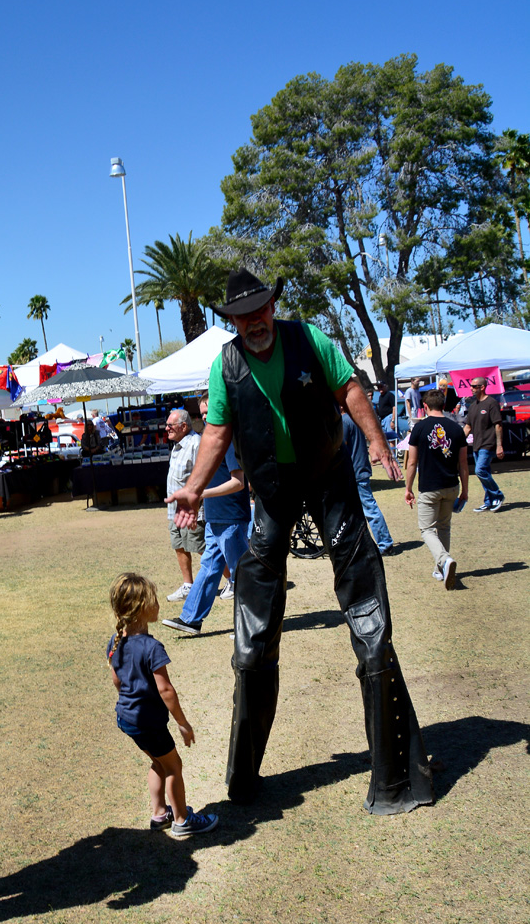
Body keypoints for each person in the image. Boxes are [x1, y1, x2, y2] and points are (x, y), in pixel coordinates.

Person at [167, 267, 432, 816]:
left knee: (368, 620)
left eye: (261, 310)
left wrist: (379, 441)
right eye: (243, 316)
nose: (255, 321)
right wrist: (194, 488)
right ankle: (244, 780)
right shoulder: (226, 366)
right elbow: (217, 434)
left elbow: (349, 389)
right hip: (271, 497)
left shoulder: (309, 339)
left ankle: (396, 776)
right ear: (232, 322)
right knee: (252, 635)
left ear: (271, 308)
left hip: (330, 483)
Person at [108, 572, 219, 837]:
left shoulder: (116, 641)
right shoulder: (151, 647)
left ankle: (159, 814)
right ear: (141, 610)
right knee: (173, 766)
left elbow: (116, 680)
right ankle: (182, 820)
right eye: (154, 601)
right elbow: (166, 690)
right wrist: (183, 723)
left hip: (127, 719)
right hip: (148, 723)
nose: (158, 605)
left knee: (158, 762)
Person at [162, 394, 250, 635]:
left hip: (230, 516)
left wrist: (201, 493)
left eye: (208, 413)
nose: (204, 418)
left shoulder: (229, 439)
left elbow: (238, 482)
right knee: (210, 567)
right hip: (215, 517)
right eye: (201, 414)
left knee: (242, 573)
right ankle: (191, 618)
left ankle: (252, 624)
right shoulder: (213, 440)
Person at [404, 389, 468, 588]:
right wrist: (465, 491)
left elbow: (412, 462)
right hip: (451, 486)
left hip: (429, 486)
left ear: (425, 406)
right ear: (443, 406)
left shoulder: (419, 428)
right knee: (444, 527)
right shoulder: (457, 428)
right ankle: (440, 569)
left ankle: (444, 560)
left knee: (427, 529)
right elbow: (464, 465)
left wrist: (408, 488)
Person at [164, 409, 205, 602]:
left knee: (200, 546)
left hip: (191, 510)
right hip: (175, 509)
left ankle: (233, 579)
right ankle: (188, 584)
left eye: (170, 426)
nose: (166, 429)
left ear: (183, 426)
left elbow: (205, 476)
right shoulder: (177, 444)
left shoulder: (196, 443)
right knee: (179, 545)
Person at [342, 412, 394, 556]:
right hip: (361, 468)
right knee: (361, 509)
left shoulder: (344, 422)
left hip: (354, 472)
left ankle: (385, 543)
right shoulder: (356, 418)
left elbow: (342, 448)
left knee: (369, 508)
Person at [463, 377, 505, 512]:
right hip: (477, 444)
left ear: (482, 387)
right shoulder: (473, 405)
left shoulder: (491, 403)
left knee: (479, 470)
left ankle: (497, 495)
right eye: (471, 386)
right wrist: (457, 440)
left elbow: (498, 425)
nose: (471, 388)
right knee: (484, 472)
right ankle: (489, 501)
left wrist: (499, 446)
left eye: (474, 386)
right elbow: (468, 427)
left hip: (488, 443)